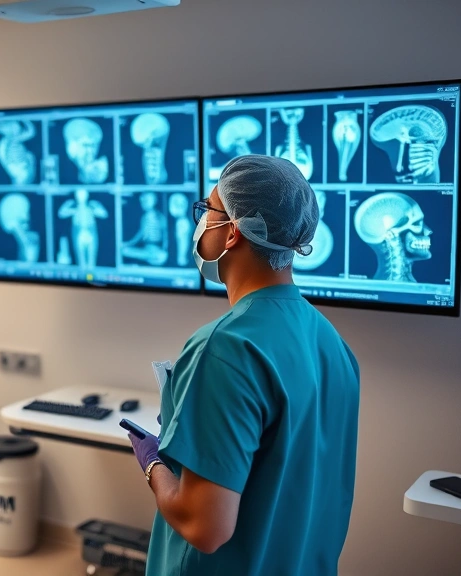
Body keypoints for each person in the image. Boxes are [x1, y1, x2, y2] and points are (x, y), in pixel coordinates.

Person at [128, 155, 360, 576]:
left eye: (209, 210)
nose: (202, 222)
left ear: (233, 231)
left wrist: (153, 464)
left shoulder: (225, 347)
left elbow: (205, 527)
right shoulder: (334, 345)